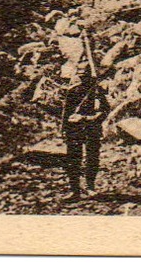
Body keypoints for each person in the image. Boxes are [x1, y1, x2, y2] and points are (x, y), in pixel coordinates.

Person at [61, 63, 108, 197]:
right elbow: (66, 112)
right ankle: (74, 190)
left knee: (92, 157)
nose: (83, 79)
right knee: (72, 159)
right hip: (74, 129)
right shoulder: (73, 90)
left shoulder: (97, 91)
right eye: (80, 76)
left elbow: (104, 110)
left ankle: (90, 186)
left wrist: (88, 118)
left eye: (85, 76)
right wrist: (64, 129)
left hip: (91, 128)